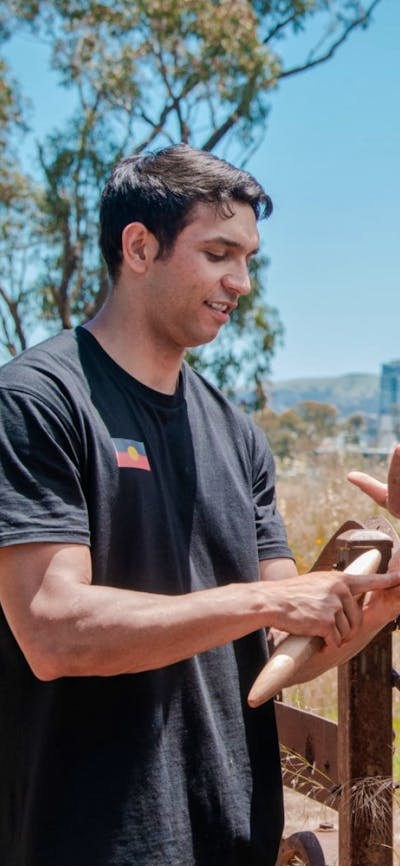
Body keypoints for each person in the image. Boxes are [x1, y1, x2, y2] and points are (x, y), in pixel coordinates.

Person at [1, 144, 400, 866]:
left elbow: (282, 643)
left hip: (229, 835)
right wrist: (260, 604)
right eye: (219, 253)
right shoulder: (38, 402)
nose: (241, 282)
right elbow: (53, 630)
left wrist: (376, 605)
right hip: (86, 838)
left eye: (248, 259)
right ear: (139, 246)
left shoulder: (237, 434)